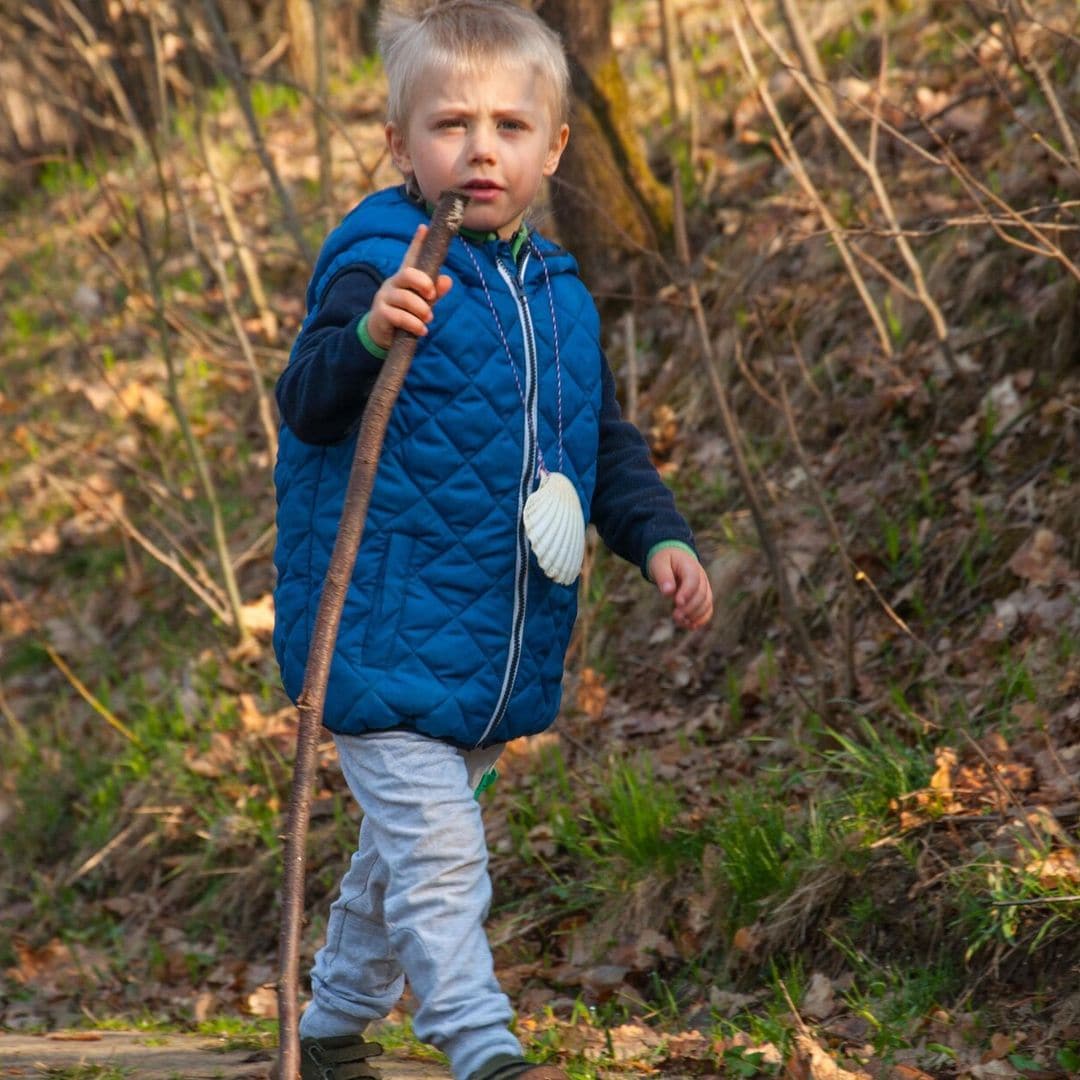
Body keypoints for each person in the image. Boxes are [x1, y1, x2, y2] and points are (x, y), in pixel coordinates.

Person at [272, 2, 714, 1077]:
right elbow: (308, 401)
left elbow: (597, 443)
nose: (481, 149)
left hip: (492, 641)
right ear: (399, 143)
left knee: (397, 859)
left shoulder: (555, 294)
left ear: (554, 149)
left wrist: (656, 536)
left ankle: (330, 1027)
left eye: (511, 127)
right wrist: (374, 329)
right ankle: (480, 1045)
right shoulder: (377, 257)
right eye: (450, 124)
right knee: (439, 856)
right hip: (382, 632)